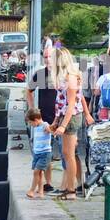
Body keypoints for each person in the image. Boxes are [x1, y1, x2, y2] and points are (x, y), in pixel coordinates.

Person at [50, 48, 89, 200]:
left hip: (71, 118)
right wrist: (56, 121)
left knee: (68, 154)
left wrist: (63, 125)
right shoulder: (65, 77)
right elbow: (61, 103)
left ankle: (71, 190)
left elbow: (71, 104)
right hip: (66, 117)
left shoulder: (70, 78)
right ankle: (71, 187)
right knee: (68, 154)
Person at [25, 49, 57, 194]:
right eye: (45, 57)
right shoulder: (40, 74)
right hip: (44, 118)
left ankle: (68, 186)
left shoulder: (60, 74)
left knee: (65, 152)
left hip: (59, 117)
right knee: (45, 151)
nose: (47, 59)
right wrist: (32, 109)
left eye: (50, 56)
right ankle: (47, 184)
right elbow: (29, 90)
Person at [25, 108, 52, 199]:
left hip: (45, 153)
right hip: (37, 153)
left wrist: (50, 129)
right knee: (39, 173)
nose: (31, 125)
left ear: (36, 120)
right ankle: (40, 191)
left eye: (30, 123)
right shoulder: (36, 127)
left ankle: (32, 190)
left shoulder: (44, 125)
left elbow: (50, 129)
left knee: (36, 172)